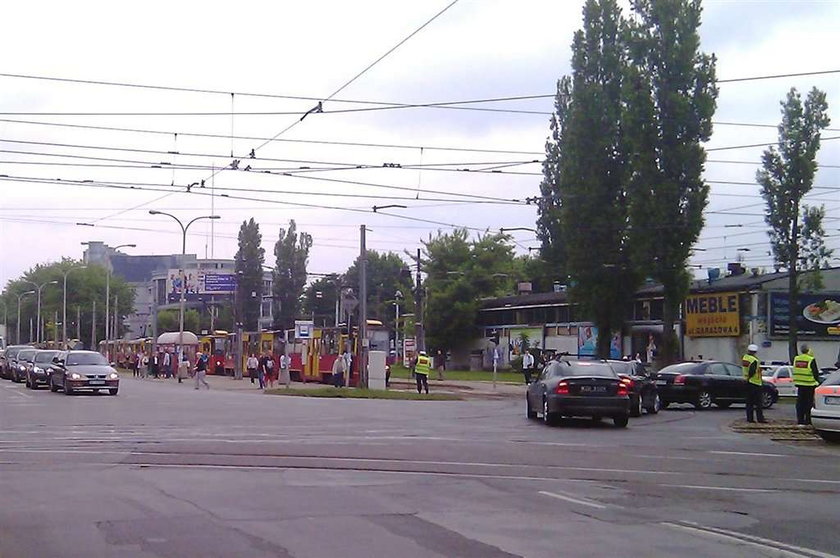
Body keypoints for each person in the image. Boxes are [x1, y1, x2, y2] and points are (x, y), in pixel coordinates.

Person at [793, 343, 820, 426]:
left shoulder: (796, 358)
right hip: (810, 384)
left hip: (799, 384)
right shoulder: (811, 359)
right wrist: (817, 382)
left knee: (800, 403)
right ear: (808, 350)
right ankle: (808, 420)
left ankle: (800, 420)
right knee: (808, 403)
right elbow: (815, 372)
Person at [742, 344, 766, 423]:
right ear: (755, 351)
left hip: (746, 381)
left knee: (749, 402)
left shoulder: (745, 358)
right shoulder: (754, 360)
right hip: (755, 382)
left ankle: (750, 419)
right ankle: (760, 418)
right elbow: (752, 371)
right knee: (758, 402)